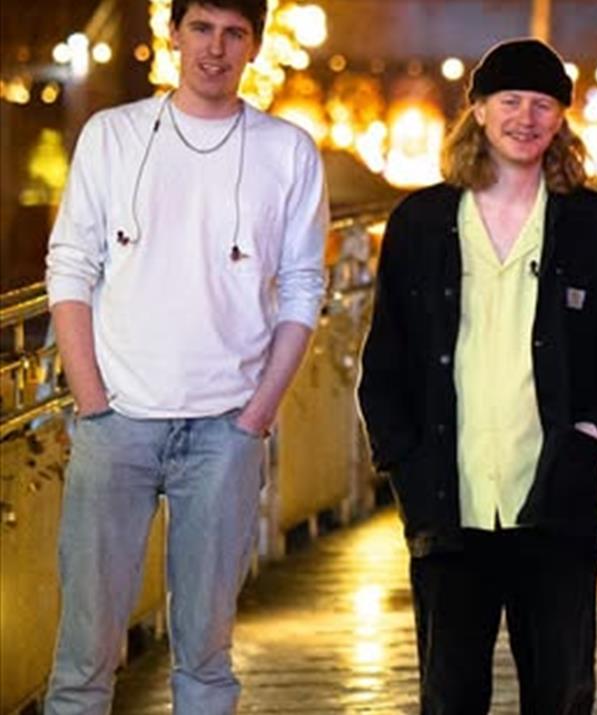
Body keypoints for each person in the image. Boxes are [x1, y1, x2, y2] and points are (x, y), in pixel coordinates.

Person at [41, 0, 327, 711]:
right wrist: (92, 403)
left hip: (224, 430)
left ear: (255, 46)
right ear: (174, 36)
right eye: (201, 29)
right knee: (84, 656)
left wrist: (256, 417)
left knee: (205, 658)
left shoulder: (286, 150)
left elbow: (302, 288)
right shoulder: (114, 136)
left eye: (234, 34)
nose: (215, 49)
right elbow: (69, 265)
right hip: (118, 424)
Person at [357, 38, 597, 715]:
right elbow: (386, 355)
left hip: (556, 499)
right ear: (478, 111)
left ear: (560, 120)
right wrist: (402, 458)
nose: (526, 116)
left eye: (543, 103)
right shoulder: (421, 222)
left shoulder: (594, 226)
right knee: (449, 696)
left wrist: (590, 433)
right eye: (509, 100)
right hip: (447, 500)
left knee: (561, 695)